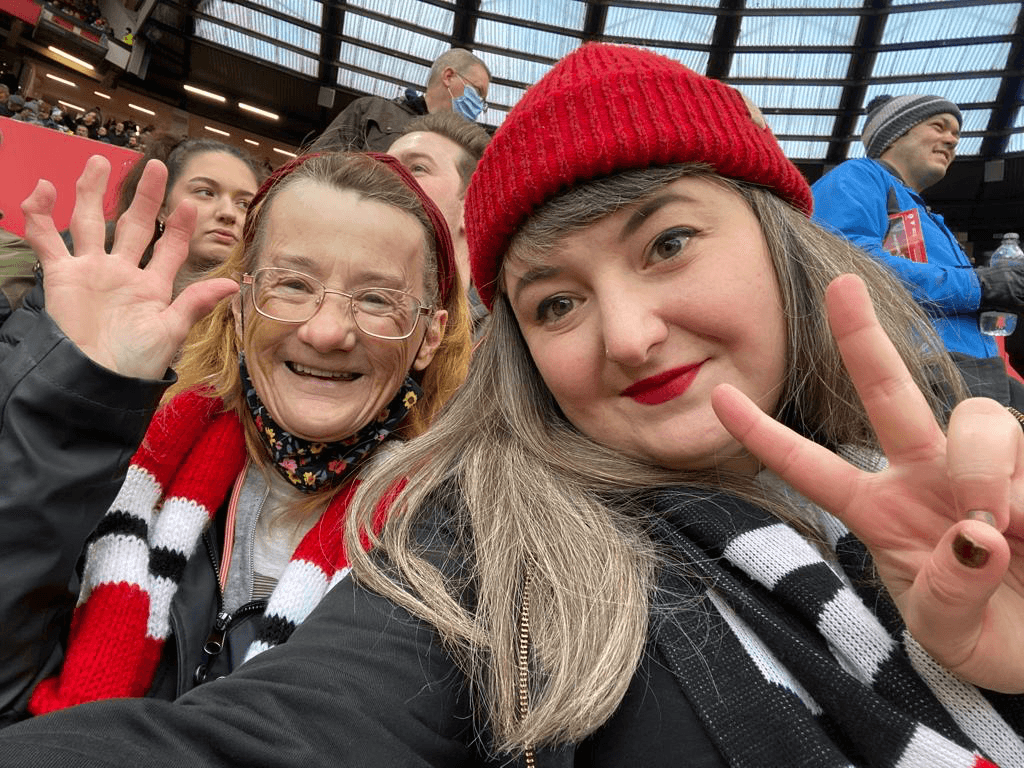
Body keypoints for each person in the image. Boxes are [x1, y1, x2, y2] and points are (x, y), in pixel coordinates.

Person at [2, 43, 1023, 768]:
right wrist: (79, 396)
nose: (626, 334)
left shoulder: (990, 460)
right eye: (556, 302)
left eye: (668, 242)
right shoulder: (476, 540)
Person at [0, 149, 471, 723]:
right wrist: (76, 415)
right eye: (292, 284)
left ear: (428, 336)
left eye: (377, 299)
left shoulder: (454, 552)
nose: (326, 332)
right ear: (243, 307)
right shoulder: (120, 457)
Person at [812, 94, 1024, 406]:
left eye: (956, 134)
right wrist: (982, 285)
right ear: (894, 134)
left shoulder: (925, 214)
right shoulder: (858, 176)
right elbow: (847, 265)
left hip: (974, 371)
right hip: (917, 371)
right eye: (939, 127)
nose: (952, 140)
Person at [0, 136, 262, 358]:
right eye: (206, 192)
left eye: (243, 203)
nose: (229, 213)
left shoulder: (259, 324)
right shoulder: (83, 277)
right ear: (162, 207)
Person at [387, 110, 491, 332]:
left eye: (417, 168)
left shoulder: (510, 338)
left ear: (471, 207)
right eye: (383, 167)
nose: (386, 178)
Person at [310, 47, 490, 153]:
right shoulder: (371, 110)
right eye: (477, 91)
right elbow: (316, 164)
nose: (479, 105)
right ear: (449, 76)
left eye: (483, 100)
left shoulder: (466, 149)